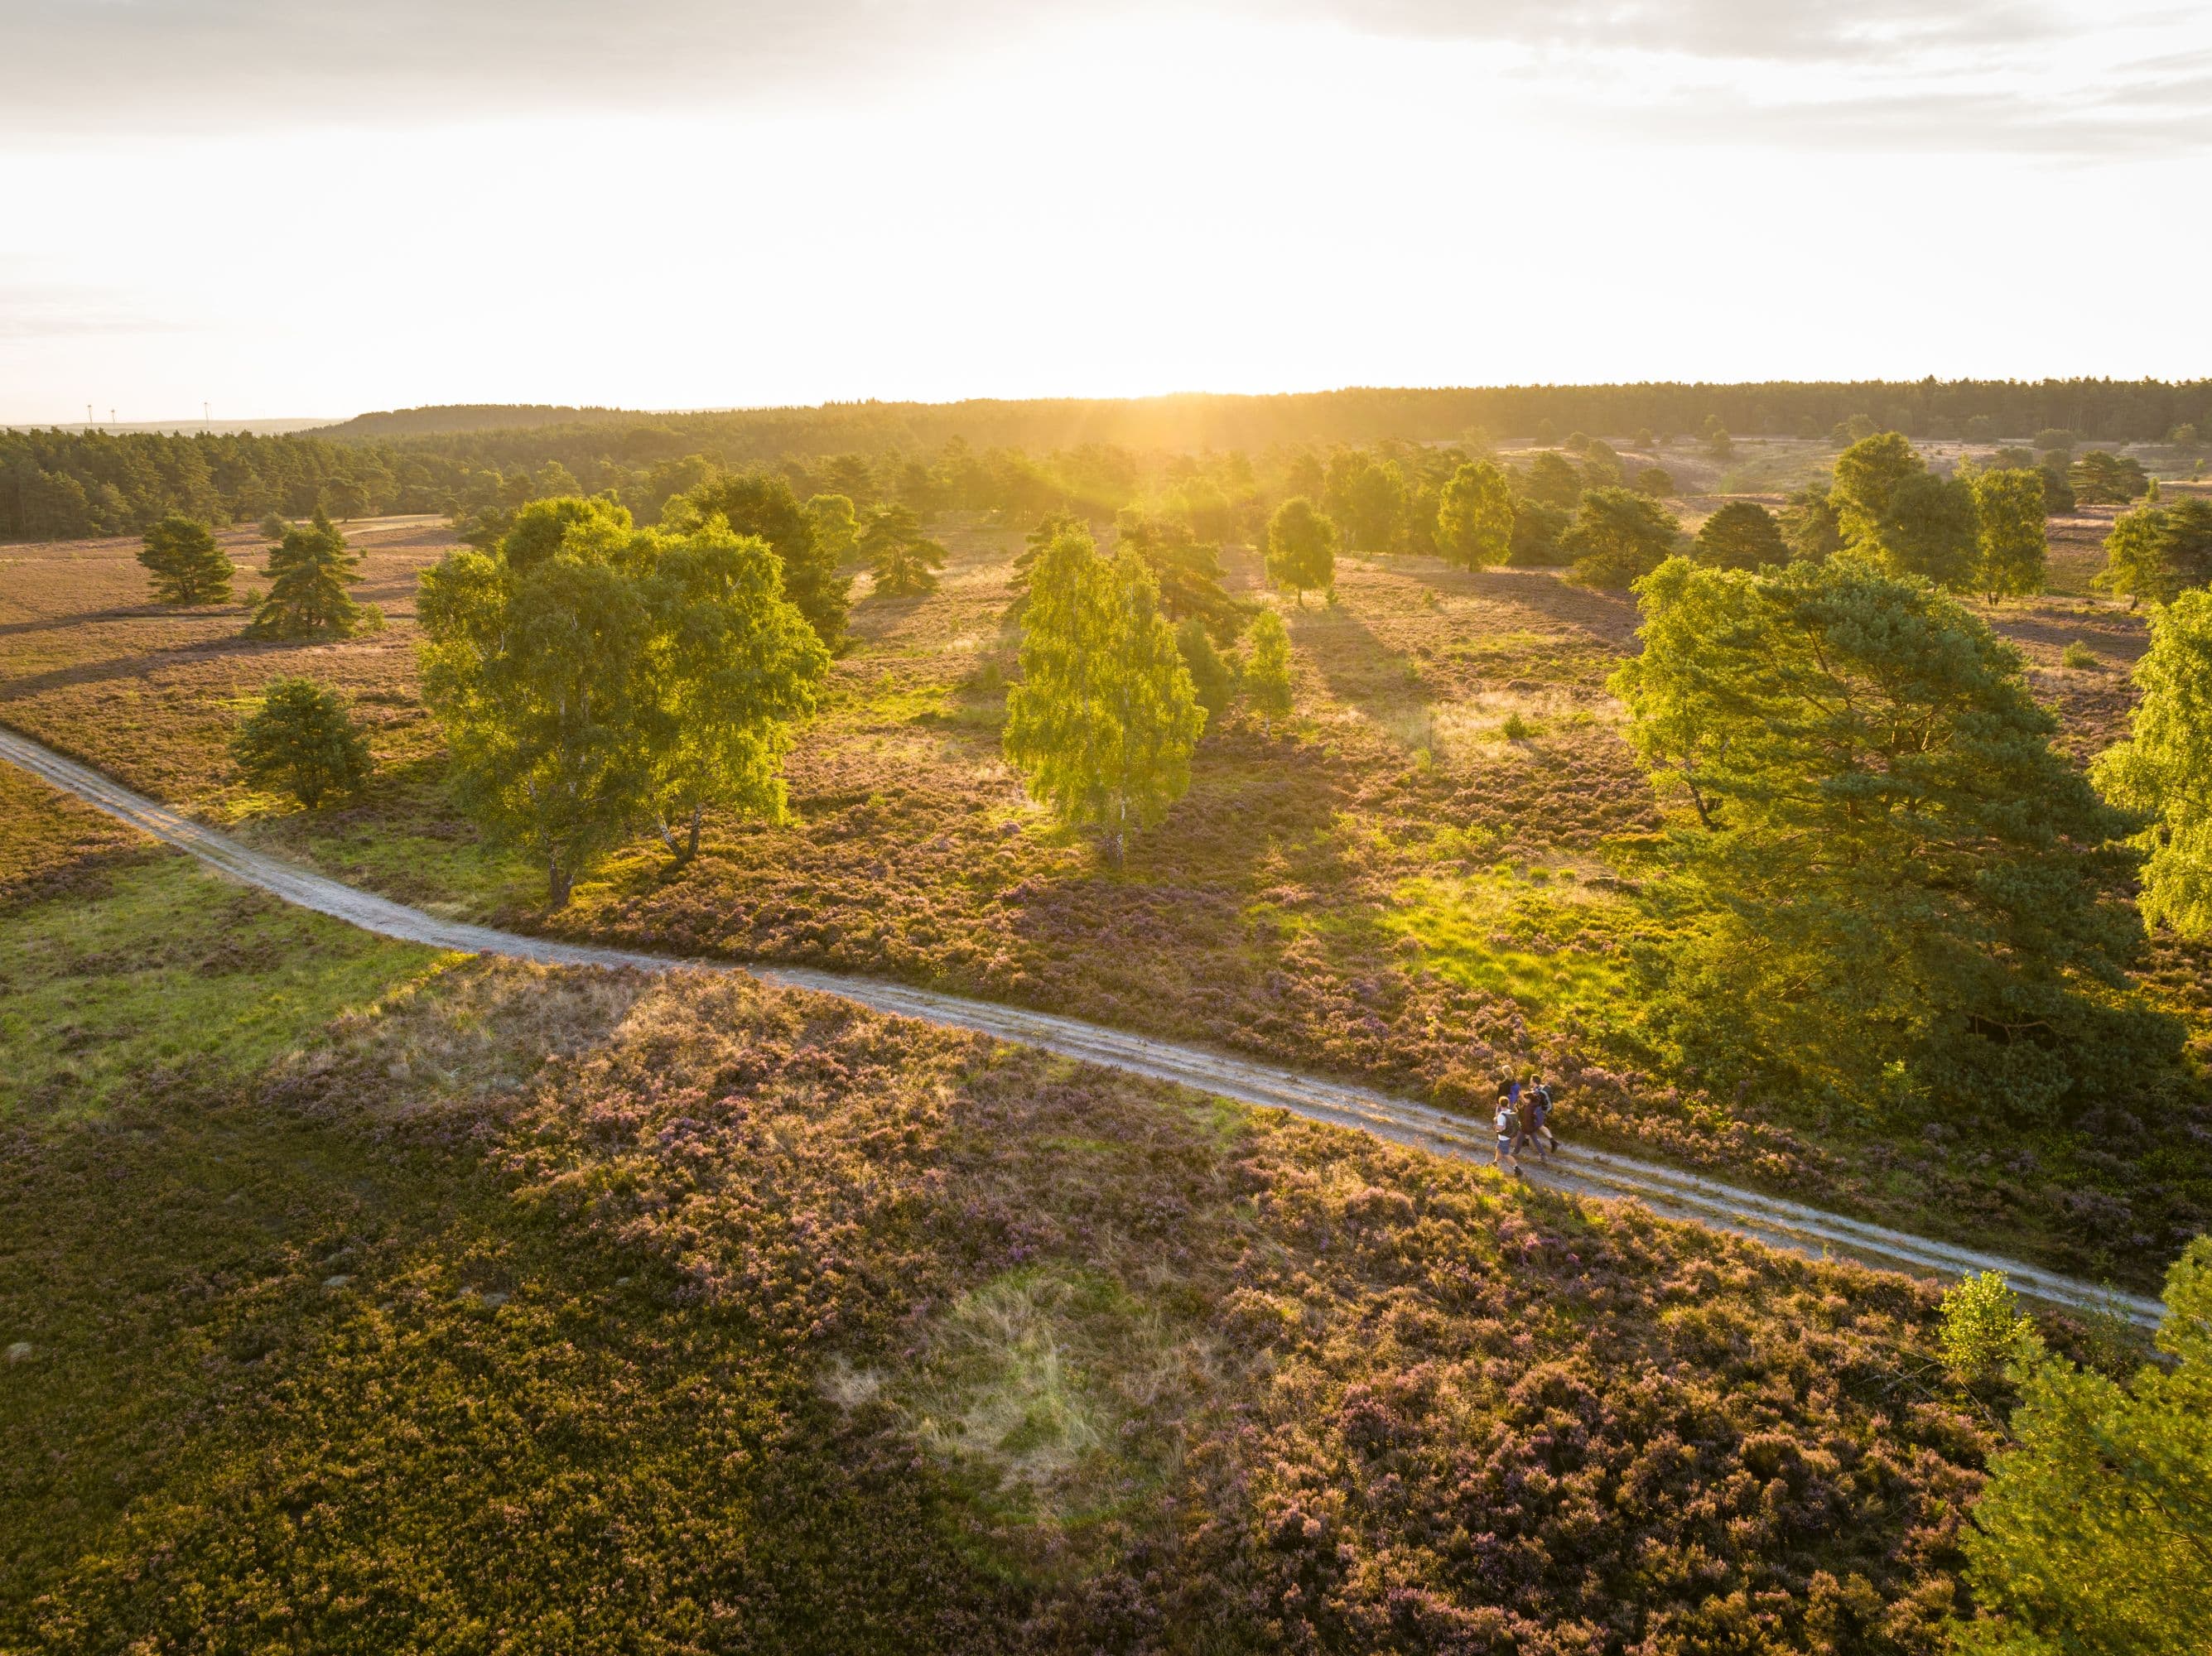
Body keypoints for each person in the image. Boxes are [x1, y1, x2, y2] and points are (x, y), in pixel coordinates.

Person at [1527, 1076, 1557, 1159]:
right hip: (1541, 1111)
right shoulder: (1542, 1088)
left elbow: (1530, 1103)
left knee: (1534, 1126)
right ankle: (1552, 1141)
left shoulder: (1535, 1092)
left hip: (1536, 1111)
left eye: (1531, 1080)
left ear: (1534, 1081)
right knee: (1539, 1126)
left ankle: (1543, 1152)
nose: (1530, 1081)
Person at [1493, 1090, 1521, 1175]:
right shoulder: (1510, 1113)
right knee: (1498, 1149)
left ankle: (1517, 1169)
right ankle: (1495, 1163)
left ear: (1499, 1104)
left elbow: (1500, 1129)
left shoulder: (1501, 1116)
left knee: (1506, 1154)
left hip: (1504, 1138)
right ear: (1508, 1104)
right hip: (1509, 1136)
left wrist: (1495, 1126)